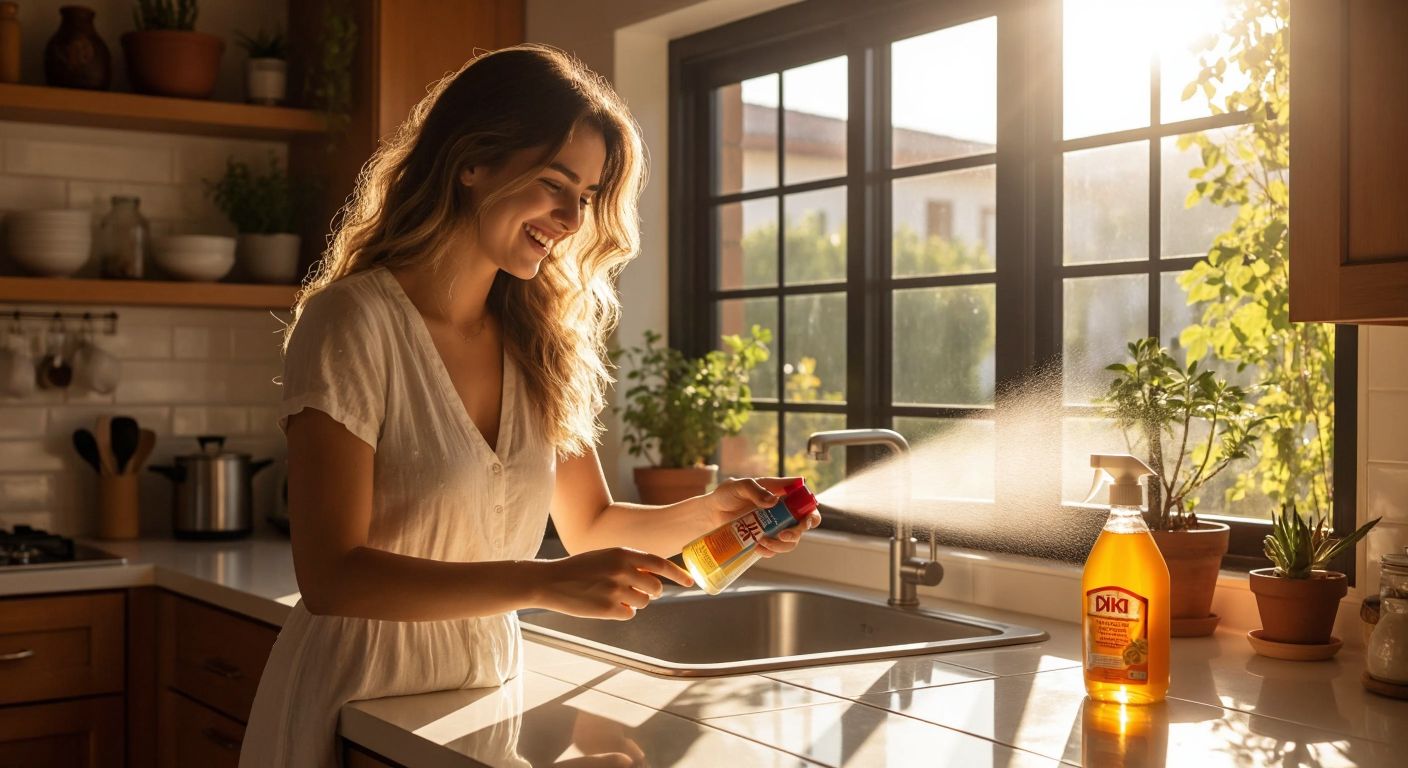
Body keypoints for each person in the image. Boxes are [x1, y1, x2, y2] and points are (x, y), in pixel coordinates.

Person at [239, 44, 822, 767]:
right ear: (471, 161)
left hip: (482, 701)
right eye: (556, 184)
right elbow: (330, 578)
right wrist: (542, 583)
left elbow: (590, 525)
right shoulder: (352, 322)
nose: (574, 217)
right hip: (355, 699)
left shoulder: (540, 344)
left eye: (588, 195)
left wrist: (714, 512)